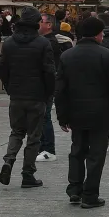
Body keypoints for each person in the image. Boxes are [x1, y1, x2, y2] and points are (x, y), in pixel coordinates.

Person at [53, 15, 109, 207]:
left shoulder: (67, 56)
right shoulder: (106, 55)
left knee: (77, 151)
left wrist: (62, 116)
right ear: (98, 35)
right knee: (96, 154)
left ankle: (74, 189)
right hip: (100, 112)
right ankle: (90, 195)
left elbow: (60, 90)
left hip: (76, 112)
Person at [0, 7, 57, 188]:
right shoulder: (43, 43)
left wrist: (9, 87)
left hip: (16, 95)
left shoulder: (8, 43)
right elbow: (49, 72)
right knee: (34, 136)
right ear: (36, 22)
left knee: (16, 131)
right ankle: (27, 173)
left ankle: (9, 160)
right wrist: (49, 93)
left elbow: (1, 68)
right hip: (36, 95)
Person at [35, 12, 70, 161]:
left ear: (48, 25)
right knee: (41, 116)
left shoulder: (50, 42)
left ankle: (48, 149)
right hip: (41, 82)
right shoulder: (42, 40)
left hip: (47, 83)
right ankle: (42, 147)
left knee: (45, 116)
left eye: (40, 22)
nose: (38, 24)